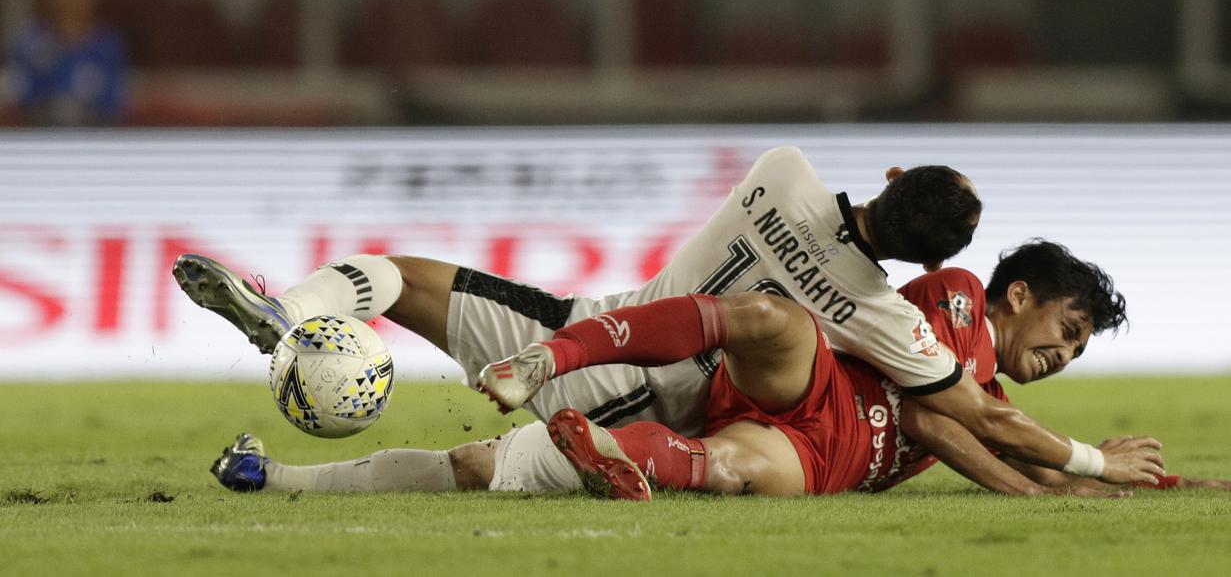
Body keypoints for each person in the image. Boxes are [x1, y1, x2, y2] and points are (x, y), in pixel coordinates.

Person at [177, 147, 1159, 491]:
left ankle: (296, 311)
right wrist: (1086, 462)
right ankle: (283, 473)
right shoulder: (879, 318)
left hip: (593, 321)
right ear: (932, 264)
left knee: (397, 274)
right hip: (674, 396)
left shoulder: (782, 168)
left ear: (892, 176)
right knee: (475, 469)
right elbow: (964, 411)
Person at [209, 243, 1218, 497]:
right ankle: (287, 313)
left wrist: (1174, 484)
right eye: (1069, 322)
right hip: (791, 384)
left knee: (488, 463)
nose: (1066, 348)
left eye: (1082, 345)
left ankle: (279, 470)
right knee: (775, 323)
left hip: (802, 443)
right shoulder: (953, 297)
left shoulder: (991, 401)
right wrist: (1080, 464)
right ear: (1014, 291)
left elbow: (961, 432)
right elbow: (944, 417)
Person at [5, 0, 128, 126]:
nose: (72, 0)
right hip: (39, 139)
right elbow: (20, 101)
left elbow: (114, 104)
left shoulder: (107, 44)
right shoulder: (28, 42)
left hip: (94, 140)